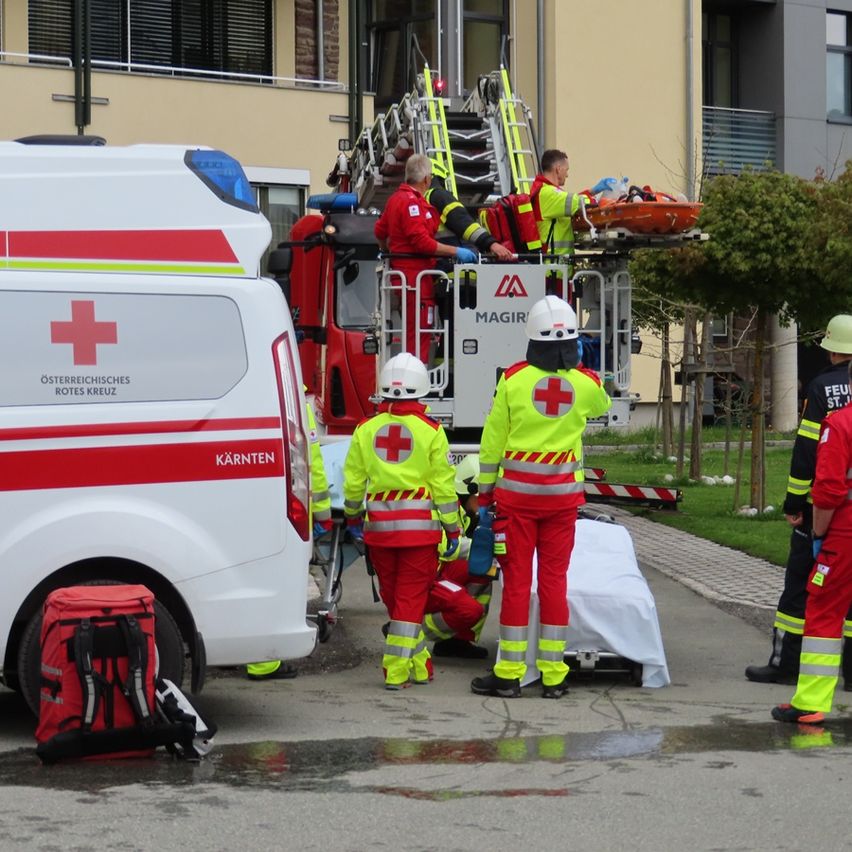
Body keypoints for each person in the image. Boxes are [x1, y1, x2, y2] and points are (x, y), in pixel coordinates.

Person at [471, 295, 611, 699]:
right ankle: (553, 675)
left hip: (515, 502)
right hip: (562, 503)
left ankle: (510, 674)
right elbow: (601, 401)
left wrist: (484, 493)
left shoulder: (513, 381)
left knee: (516, 583)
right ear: (573, 341)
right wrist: (580, 368)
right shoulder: (585, 386)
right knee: (554, 583)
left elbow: (492, 442)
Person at [343, 352, 460, 689]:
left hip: (379, 532)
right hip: (420, 535)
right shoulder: (431, 431)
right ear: (421, 389)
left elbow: (353, 481)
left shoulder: (365, 430)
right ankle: (395, 669)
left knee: (397, 600)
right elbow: (443, 486)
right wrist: (453, 528)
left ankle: (420, 662)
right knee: (408, 602)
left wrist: (353, 517)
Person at [746, 314, 852, 685]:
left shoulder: (821, 388)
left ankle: (786, 663)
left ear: (831, 349)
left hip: (823, 506)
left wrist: (794, 502)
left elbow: (807, 452)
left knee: (801, 586)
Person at [772, 359, 852, 724]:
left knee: (822, 608)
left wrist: (818, 535)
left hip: (845, 533)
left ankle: (812, 702)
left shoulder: (839, 424)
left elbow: (828, 490)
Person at [246, 394, 333, 681]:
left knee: (247, 580)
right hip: (279, 507)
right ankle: (262, 662)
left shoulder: (252, 394)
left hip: (245, 503)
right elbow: (313, 466)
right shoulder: (292, 400)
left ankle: (241, 651)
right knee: (272, 583)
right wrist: (322, 515)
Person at [374, 153, 477, 364]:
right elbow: (422, 242)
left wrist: (388, 252)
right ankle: (415, 375)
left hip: (410, 278)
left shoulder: (396, 200)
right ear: (426, 179)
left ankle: (413, 374)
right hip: (415, 279)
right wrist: (456, 251)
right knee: (418, 332)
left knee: (417, 330)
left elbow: (380, 231)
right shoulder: (411, 204)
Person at [423, 453, 497, 660]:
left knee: (486, 570)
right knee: (470, 609)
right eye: (484, 495)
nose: (488, 501)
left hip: (439, 570)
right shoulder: (444, 505)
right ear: (470, 489)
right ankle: (407, 630)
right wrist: (488, 546)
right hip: (429, 575)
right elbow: (448, 548)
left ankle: (459, 641)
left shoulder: (460, 508)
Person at [529, 149, 613, 266]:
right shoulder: (548, 193)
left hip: (555, 267)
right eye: (566, 170)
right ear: (558, 169)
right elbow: (578, 202)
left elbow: (569, 201)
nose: (567, 174)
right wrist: (606, 200)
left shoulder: (545, 191)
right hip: (554, 271)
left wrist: (592, 191)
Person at [425, 162, 515, 261]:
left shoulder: (423, 198)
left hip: (435, 263)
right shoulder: (439, 195)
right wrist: (492, 244)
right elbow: (462, 222)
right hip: (449, 263)